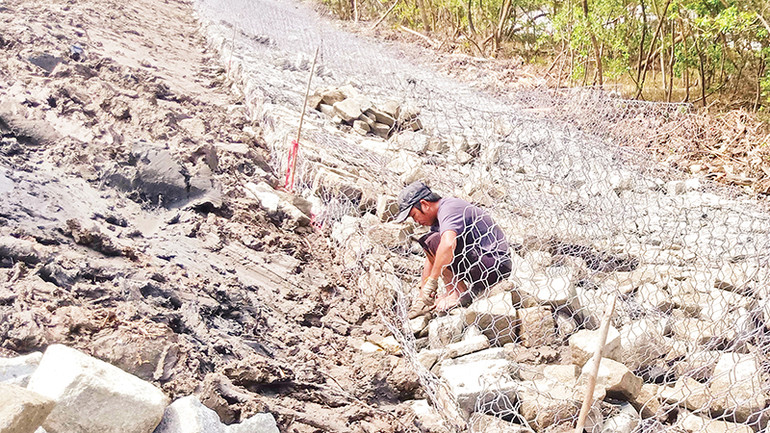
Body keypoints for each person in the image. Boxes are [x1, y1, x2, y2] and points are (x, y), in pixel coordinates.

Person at [394, 181, 512, 317]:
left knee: (435, 241)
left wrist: (432, 281)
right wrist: (423, 296)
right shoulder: (438, 221)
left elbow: (448, 244)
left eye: (414, 215)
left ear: (424, 204)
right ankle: (453, 291)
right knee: (429, 242)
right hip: (483, 264)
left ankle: (457, 292)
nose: (416, 221)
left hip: (496, 264)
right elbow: (431, 259)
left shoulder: (449, 208)